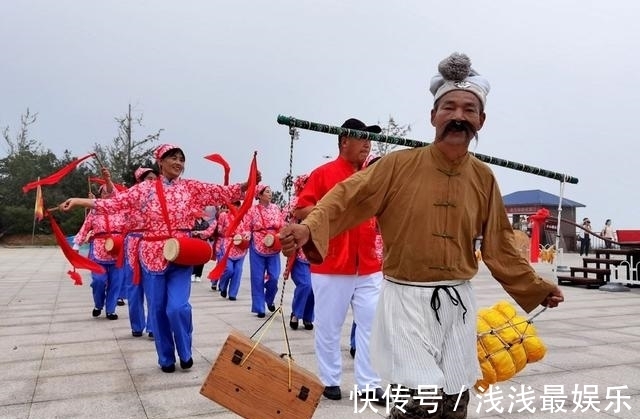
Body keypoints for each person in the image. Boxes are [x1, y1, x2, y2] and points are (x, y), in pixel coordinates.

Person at [280, 52, 564, 418]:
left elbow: (499, 245)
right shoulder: (397, 166)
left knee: (455, 401)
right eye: (449, 108)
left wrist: (536, 288)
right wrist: (308, 228)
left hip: (458, 305)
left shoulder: (483, 178)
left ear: (481, 120)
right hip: (406, 302)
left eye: (468, 110)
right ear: (434, 115)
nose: (458, 117)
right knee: (417, 402)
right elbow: (347, 198)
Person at [60, 144, 257, 373]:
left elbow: (220, 193)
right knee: (157, 308)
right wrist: (79, 200)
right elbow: (115, 203)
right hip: (152, 254)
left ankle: (185, 350)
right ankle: (165, 357)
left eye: (181, 159)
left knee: (177, 308)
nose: (178, 163)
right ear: (160, 162)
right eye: (173, 158)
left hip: (181, 253)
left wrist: (247, 184)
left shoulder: (191, 187)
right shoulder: (145, 189)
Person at [292, 118, 385, 405]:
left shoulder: (373, 176)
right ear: (345, 141)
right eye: (362, 138)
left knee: (373, 324)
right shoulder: (323, 174)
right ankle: (329, 380)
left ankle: (369, 384)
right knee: (329, 325)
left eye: (370, 138)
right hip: (333, 264)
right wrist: (330, 214)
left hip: (369, 264)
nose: (367, 143)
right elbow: (300, 210)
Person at [72, 171, 125, 321]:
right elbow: (85, 227)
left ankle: (111, 309)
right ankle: (98, 304)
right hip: (98, 250)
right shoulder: (94, 211)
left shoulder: (122, 211)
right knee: (99, 281)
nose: (107, 194)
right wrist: (77, 244)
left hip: (117, 250)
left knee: (116, 283)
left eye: (110, 192)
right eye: (104, 192)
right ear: (100, 196)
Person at [125, 166, 157, 338]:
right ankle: (137, 325)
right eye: (149, 178)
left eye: (154, 178)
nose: (152, 181)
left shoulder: (161, 196)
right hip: (132, 243)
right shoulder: (131, 195)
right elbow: (113, 196)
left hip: (152, 243)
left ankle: (153, 326)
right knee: (134, 286)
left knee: (153, 286)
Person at [246, 185, 283, 318]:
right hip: (257, 244)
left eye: (270, 191)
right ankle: (259, 307)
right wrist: (245, 235)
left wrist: (281, 236)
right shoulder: (252, 210)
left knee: (274, 276)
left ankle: (269, 298)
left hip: (273, 243)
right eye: (267, 192)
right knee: (257, 277)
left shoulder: (276, 208)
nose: (270, 194)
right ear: (260, 195)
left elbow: (282, 225)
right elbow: (246, 226)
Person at [284, 174, 314, 331]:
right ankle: (296, 313)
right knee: (305, 284)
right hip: (300, 252)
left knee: (315, 287)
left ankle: (308, 317)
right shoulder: (295, 202)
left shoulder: (321, 201)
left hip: (316, 252)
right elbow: (286, 220)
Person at [216, 201, 250, 301]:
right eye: (234, 205)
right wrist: (227, 232)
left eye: (238, 205)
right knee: (229, 269)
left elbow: (248, 229)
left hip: (240, 246)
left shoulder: (244, 217)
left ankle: (233, 294)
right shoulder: (224, 216)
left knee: (238, 270)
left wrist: (245, 236)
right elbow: (219, 229)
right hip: (228, 244)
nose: (236, 207)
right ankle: (223, 285)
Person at [190, 210, 217, 282]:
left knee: (201, 259)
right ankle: (193, 273)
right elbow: (188, 231)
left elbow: (209, 232)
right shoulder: (191, 222)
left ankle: (199, 275)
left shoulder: (205, 223)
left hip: (203, 243)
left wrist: (211, 240)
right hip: (193, 242)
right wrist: (193, 233)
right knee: (193, 258)